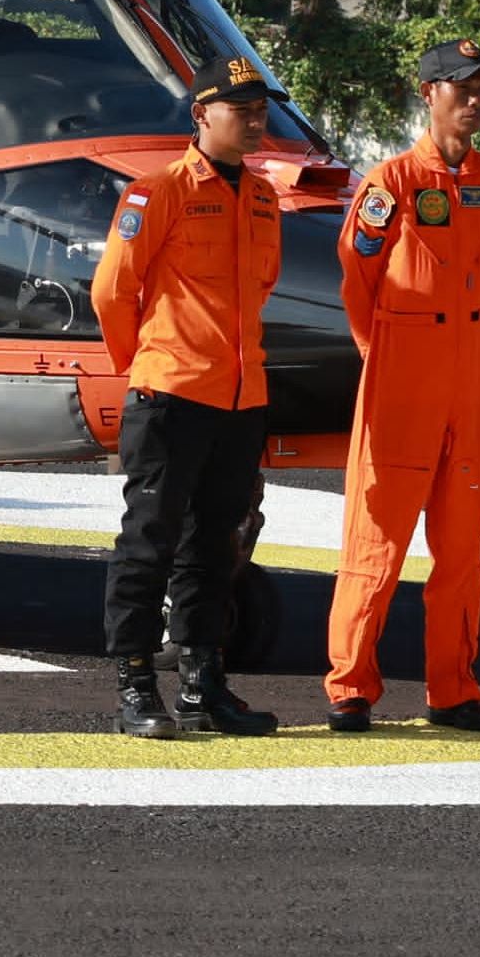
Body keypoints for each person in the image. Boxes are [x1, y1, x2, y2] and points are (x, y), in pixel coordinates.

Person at [324, 37, 480, 734]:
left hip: (471, 365)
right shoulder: (392, 183)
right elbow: (358, 276)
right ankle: (351, 685)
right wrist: (386, 346)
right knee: (377, 535)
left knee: (462, 543)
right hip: (403, 365)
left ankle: (454, 689)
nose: (475, 101)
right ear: (429, 94)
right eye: (461, 88)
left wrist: (466, 327)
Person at [89, 56, 292, 739]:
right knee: (149, 543)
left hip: (239, 400)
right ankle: (136, 687)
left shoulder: (264, 198)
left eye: (261, 106)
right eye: (242, 106)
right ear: (202, 115)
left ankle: (204, 686)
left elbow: (258, 292)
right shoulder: (158, 192)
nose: (257, 118)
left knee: (215, 546)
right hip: (171, 395)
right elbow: (112, 292)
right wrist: (148, 365)